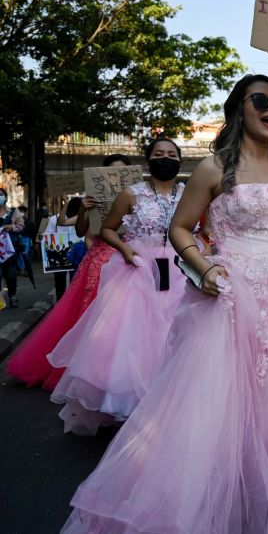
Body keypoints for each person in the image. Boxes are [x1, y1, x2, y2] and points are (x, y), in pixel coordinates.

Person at [60, 73, 268, 533]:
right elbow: (180, 228)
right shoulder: (214, 168)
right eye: (261, 100)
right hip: (231, 299)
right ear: (239, 109)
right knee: (219, 409)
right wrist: (205, 267)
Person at [48, 139, 187, 435]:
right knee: (135, 336)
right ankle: (134, 405)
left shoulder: (189, 195)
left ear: (180, 160)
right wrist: (125, 251)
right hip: (138, 268)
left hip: (178, 271)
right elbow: (108, 229)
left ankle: (174, 402)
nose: (166, 158)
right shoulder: (131, 193)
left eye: (172, 154)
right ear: (148, 161)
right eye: (159, 154)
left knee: (176, 333)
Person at [7, 154, 132, 390]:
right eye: (111, 172)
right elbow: (83, 232)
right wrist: (84, 211)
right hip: (100, 262)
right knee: (89, 316)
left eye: (121, 172)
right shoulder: (93, 199)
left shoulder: (139, 199)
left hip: (130, 261)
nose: (116, 177)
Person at [0, 188, 24, 308]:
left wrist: (11, 227)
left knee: (10, 275)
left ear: (5, 198)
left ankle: (12, 296)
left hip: (10, 250)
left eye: (1, 195)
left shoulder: (14, 212)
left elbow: (21, 227)